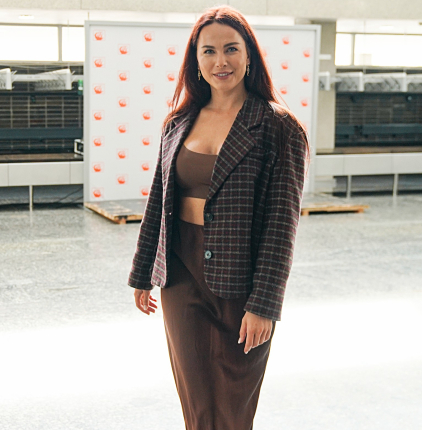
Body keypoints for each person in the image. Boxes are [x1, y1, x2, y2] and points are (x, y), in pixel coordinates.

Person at [128, 5, 310, 429]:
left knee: (232, 403)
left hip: (241, 279)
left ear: (249, 56)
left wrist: (264, 305)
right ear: (196, 59)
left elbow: (282, 227)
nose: (220, 61)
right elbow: (158, 202)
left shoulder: (279, 128)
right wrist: (142, 273)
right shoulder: (178, 122)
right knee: (195, 400)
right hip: (180, 272)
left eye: (231, 49)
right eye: (208, 51)